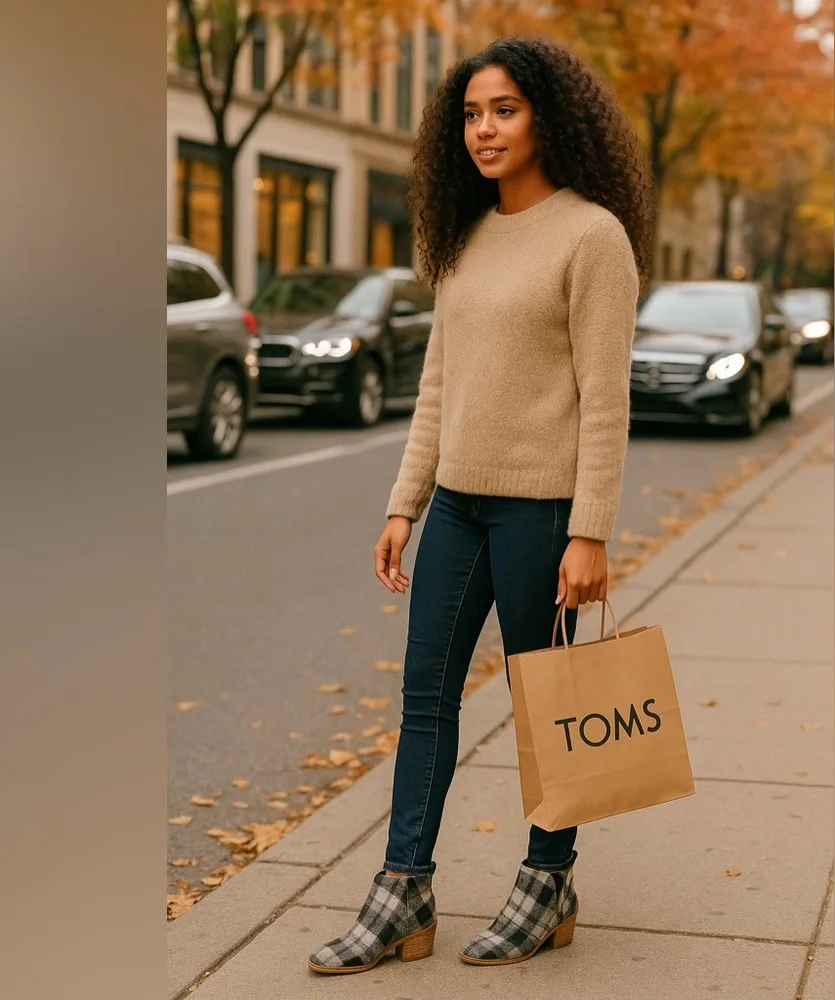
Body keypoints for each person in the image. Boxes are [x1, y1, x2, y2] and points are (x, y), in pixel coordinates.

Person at [308, 35, 653, 975]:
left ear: (549, 116)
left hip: (541, 515)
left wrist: (591, 530)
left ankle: (548, 883)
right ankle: (402, 893)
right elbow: (437, 388)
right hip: (458, 507)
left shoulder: (592, 237)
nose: (483, 129)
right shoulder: (464, 238)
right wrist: (402, 506)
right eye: (469, 114)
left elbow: (604, 400)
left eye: (504, 110)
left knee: (549, 712)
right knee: (426, 701)